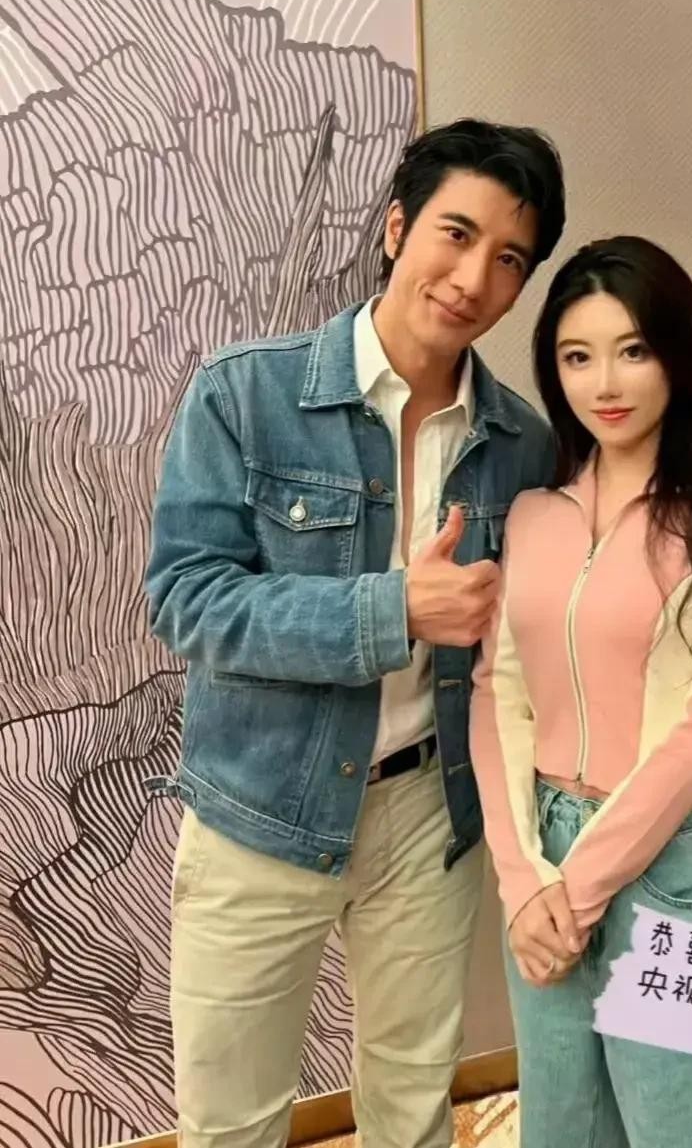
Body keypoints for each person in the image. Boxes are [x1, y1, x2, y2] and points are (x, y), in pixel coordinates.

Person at [144, 118, 566, 1148]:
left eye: (509, 258)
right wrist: (391, 609)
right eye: (455, 234)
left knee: (412, 1108)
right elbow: (185, 597)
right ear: (396, 227)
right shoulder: (246, 391)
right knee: (231, 1120)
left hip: (429, 812)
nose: (473, 278)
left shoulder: (523, 442)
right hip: (258, 804)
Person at [470, 235, 692, 1147]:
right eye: (577, 356)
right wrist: (523, 880)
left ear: (677, 355)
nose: (603, 382)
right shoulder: (534, 517)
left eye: (633, 349)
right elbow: (497, 693)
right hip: (544, 859)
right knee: (564, 1131)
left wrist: (574, 892)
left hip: (677, 867)